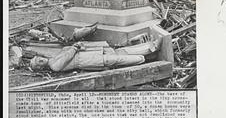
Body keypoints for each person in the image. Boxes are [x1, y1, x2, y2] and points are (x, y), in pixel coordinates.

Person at [30, 36, 162, 72]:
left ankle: (149, 49)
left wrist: (74, 47)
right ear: (41, 67)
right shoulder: (54, 66)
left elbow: (66, 51)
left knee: (120, 52)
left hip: (90, 54)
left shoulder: (52, 59)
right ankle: (144, 59)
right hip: (89, 61)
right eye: (39, 62)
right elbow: (67, 57)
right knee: (119, 60)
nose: (41, 59)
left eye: (39, 58)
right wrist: (74, 48)